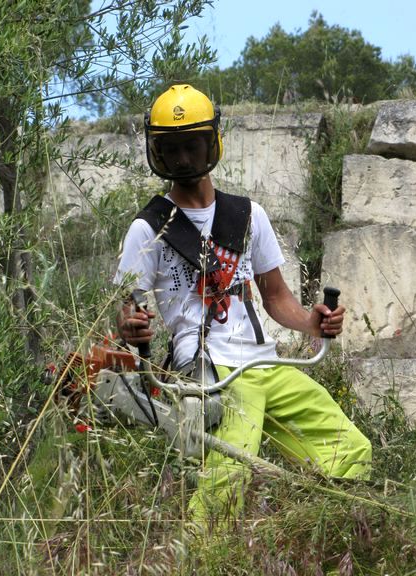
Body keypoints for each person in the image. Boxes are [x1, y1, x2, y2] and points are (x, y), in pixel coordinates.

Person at [115, 84, 372, 527]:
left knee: (350, 451)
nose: (181, 159)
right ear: (156, 150)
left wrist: (312, 322)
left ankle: (332, 535)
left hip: (266, 366)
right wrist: (130, 328)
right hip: (210, 376)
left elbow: (275, 297)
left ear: (211, 142)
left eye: (191, 145)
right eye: (170, 148)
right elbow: (125, 312)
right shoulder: (148, 227)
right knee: (225, 485)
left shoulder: (248, 215)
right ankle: (197, 561)